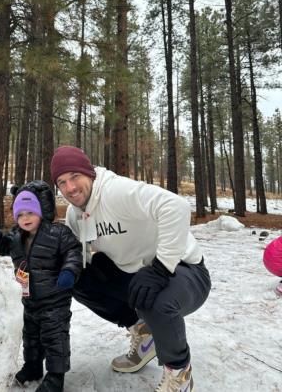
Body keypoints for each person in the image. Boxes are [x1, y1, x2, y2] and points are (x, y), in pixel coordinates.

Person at [50, 146, 211, 392]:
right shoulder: (75, 215)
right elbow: (73, 256)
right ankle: (144, 332)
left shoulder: (116, 191)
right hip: (135, 273)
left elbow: (176, 207)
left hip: (185, 270)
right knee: (77, 277)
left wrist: (160, 268)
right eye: (62, 182)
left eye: (75, 177)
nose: (70, 188)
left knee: (153, 298)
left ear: (89, 173)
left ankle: (179, 373)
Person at [0, 180, 83, 392]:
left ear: (42, 211)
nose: (24, 218)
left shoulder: (58, 233)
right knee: (31, 336)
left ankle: (56, 376)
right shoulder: (16, 236)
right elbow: (5, 247)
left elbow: (73, 252)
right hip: (28, 299)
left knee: (55, 337)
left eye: (30, 213)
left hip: (55, 299)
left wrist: (69, 271)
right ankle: (33, 366)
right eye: (20, 214)